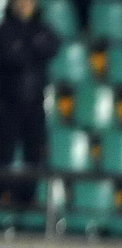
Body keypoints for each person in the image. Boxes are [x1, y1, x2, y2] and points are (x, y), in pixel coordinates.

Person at [0, 0, 59, 207]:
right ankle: (3, 194)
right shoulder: (6, 29)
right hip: (8, 102)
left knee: (33, 153)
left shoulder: (42, 27)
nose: (26, 5)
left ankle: (26, 198)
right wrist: (31, 47)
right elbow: (10, 55)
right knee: (4, 152)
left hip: (35, 102)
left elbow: (52, 46)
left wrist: (25, 46)